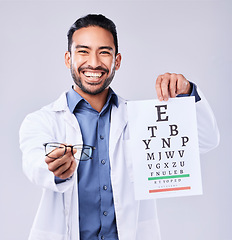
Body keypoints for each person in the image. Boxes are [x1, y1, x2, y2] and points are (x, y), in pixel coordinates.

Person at [19, 14, 220, 240]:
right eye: (83, 51)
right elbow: (34, 161)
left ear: (117, 61)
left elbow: (206, 140)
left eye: (104, 52)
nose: (94, 62)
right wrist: (54, 168)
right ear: (68, 59)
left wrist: (188, 93)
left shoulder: (140, 119)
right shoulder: (43, 120)